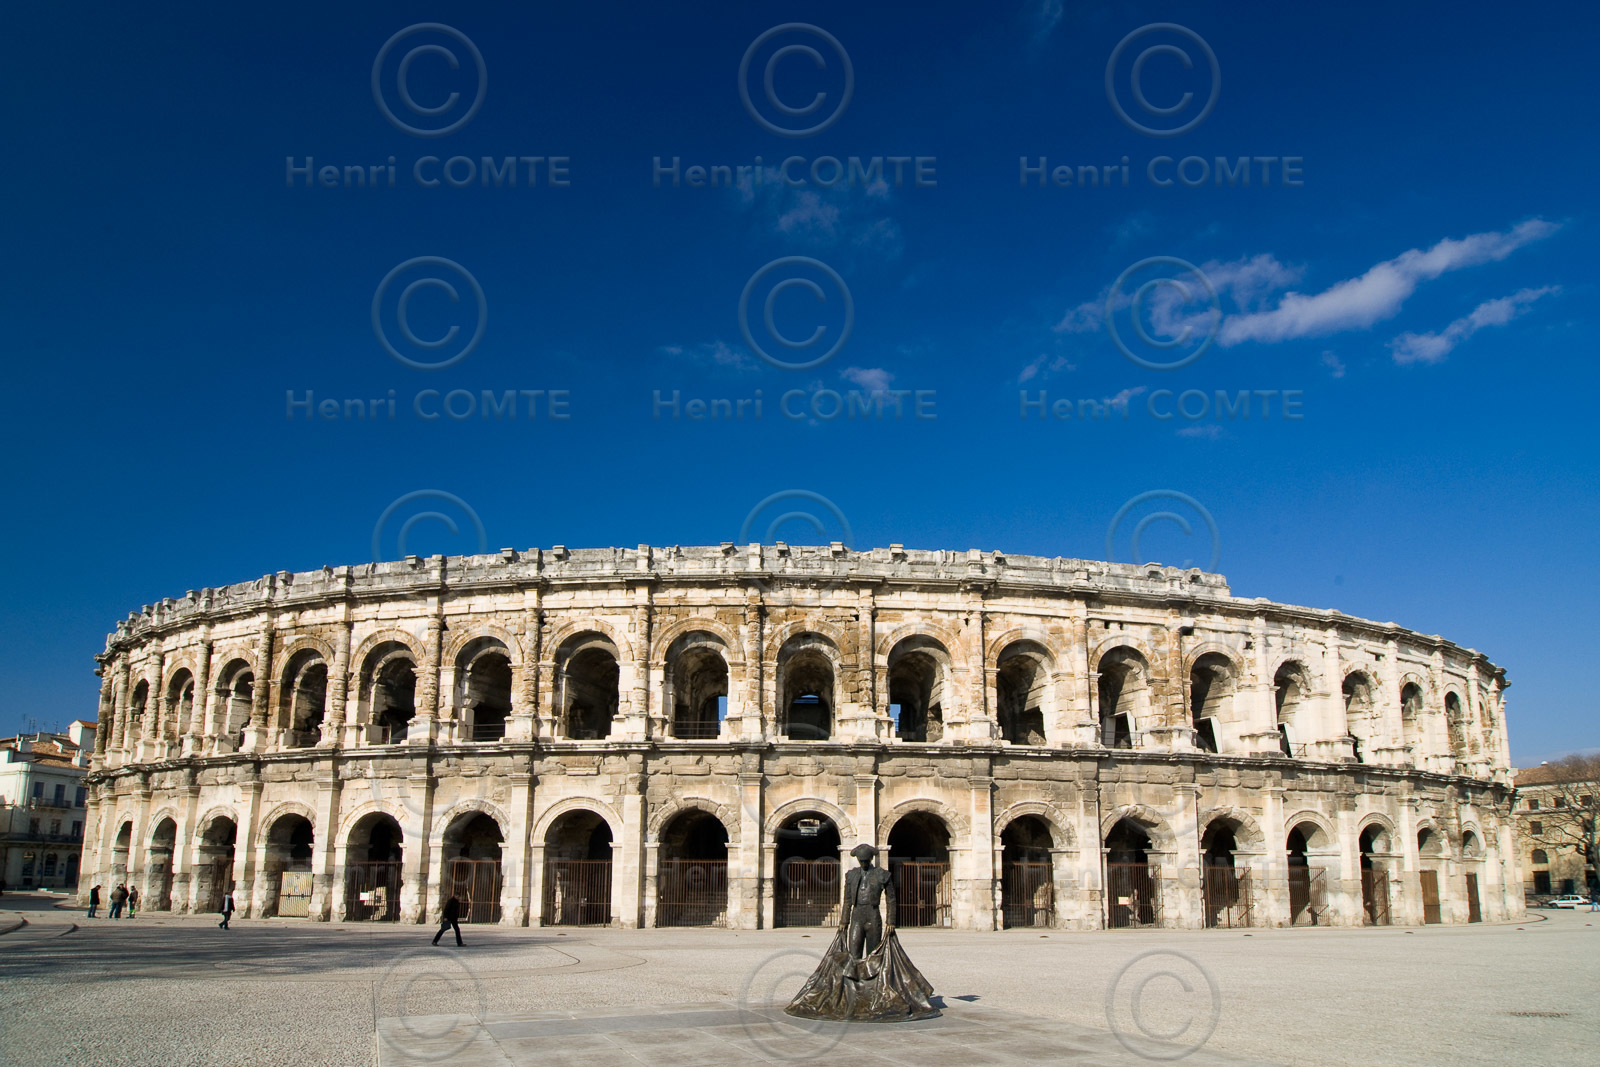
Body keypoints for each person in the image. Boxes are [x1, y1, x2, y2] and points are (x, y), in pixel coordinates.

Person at [786, 843, 938, 1022]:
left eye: (866, 861)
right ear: (857, 860)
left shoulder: (882, 874)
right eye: (861, 860)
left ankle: (871, 992)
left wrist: (891, 921)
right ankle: (852, 993)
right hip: (857, 916)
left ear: (871, 859)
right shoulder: (851, 875)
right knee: (853, 954)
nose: (864, 863)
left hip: (873, 916)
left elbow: (891, 900)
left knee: (873, 956)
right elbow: (848, 900)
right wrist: (844, 921)